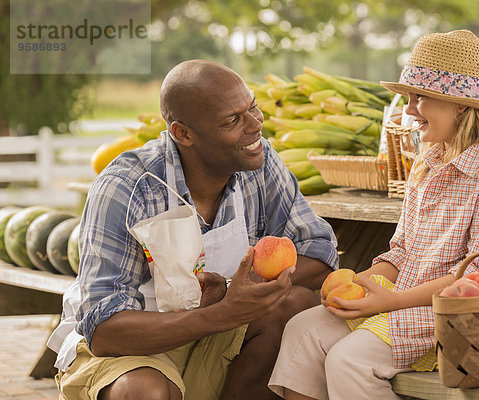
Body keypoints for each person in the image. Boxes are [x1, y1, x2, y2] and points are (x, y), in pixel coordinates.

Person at [268, 29, 479, 399]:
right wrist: (361, 284)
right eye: (409, 98)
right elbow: (402, 252)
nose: (409, 110)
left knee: (350, 360)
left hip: (459, 315)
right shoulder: (426, 164)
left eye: (420, 98)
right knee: (302, 331)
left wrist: (389, 302)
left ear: (460, 104)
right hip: (408, 299)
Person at [47, 60, 339, 400]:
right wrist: (221, 312)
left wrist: (231, 290)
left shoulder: (256, 160)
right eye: (233, 120)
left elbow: (318, 251)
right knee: (144, 392)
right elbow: (105, 332)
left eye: (253, 107)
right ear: (183, 134)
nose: (255, 124)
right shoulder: (128, 186)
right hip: (130, 352)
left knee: (294, 306)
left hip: (212, 336)